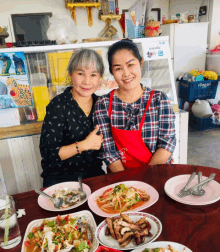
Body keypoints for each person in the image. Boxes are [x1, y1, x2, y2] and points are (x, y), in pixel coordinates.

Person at [93, 39, 176, 172]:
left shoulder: (159, 100)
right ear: (112, 72)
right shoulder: (103, 104)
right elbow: (108, 152)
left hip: (156, 173)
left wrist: (146, 179)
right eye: (118, 68)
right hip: (121, 180)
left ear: (141, 64)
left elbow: (167, 143)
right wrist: (129, 186)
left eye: (130, 65)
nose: (126, 73)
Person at [40, 48, 105, 187]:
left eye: (93, 75)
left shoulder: (102, 105)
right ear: (70, 74)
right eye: (80, 73)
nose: (87, 81)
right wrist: (84, 145)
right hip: (61, 180)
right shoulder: (58, 106)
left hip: (94, 177)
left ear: (100, 78)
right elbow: (50, 155)